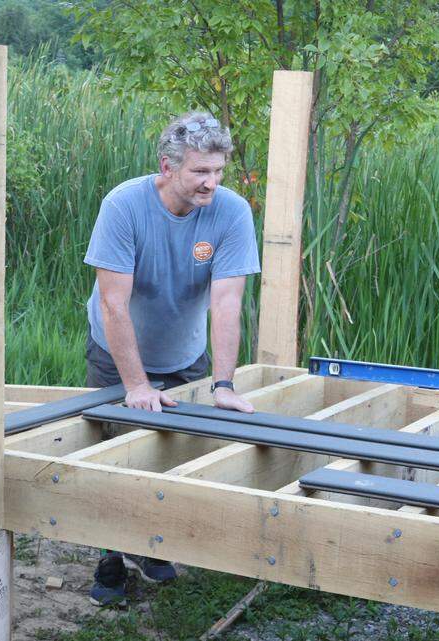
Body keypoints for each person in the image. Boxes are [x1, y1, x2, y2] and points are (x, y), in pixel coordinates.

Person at [82, 111, 259, 606]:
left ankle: (152, 544)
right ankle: (111, 557)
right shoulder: (124, 205)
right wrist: (136, 385)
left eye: (219, 171)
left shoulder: (231, 212)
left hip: (185, 353)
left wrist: (223, 384)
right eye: (201, 172)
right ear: (167, 166)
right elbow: (114, 302)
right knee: (115, 452)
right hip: (117, 350)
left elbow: (226, 302)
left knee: (172, 452)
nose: (212, 182)